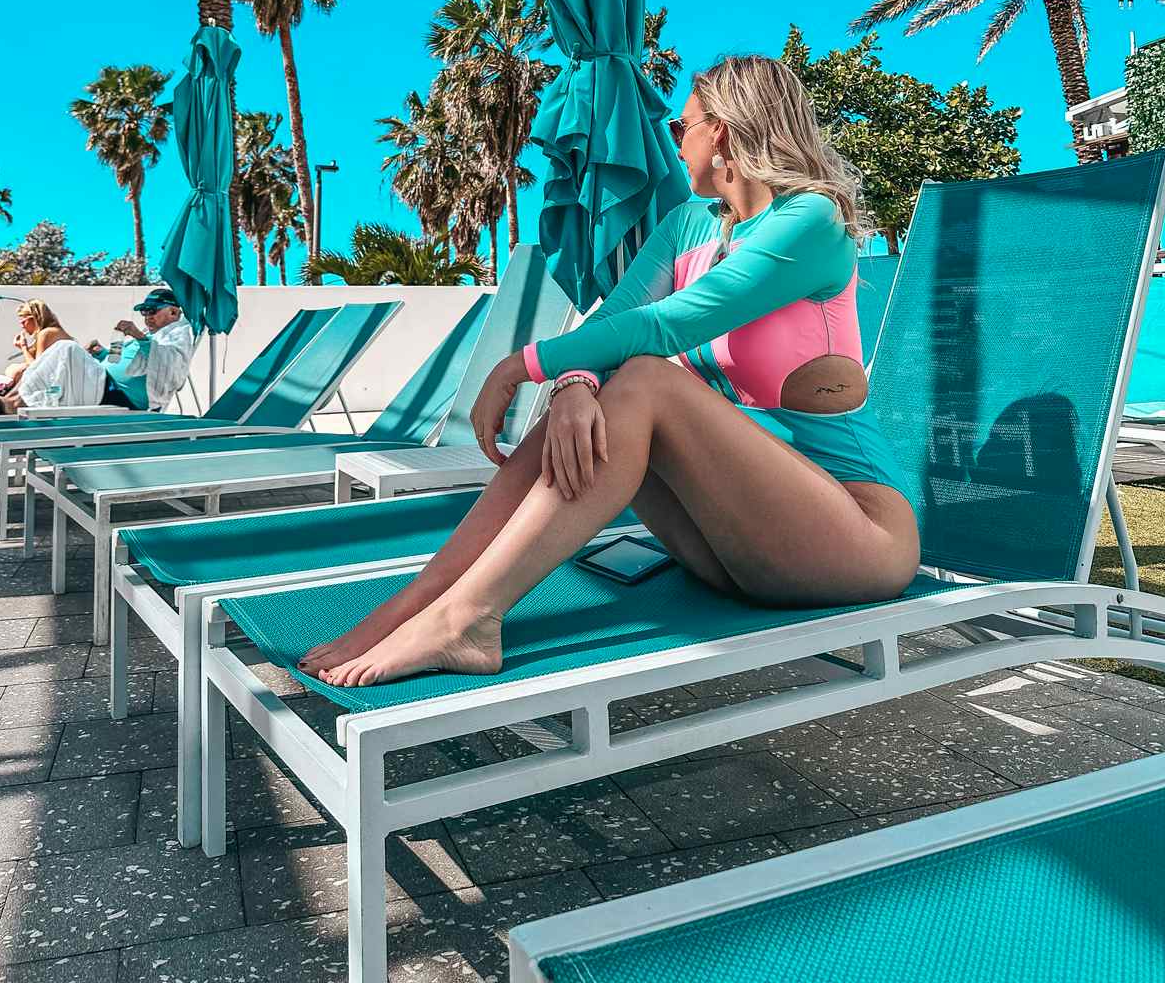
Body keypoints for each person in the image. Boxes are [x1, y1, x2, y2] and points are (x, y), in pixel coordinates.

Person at [301, 53, 922, 690]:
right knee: (608, 394)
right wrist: (573, 385)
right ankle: (420, 605)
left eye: (683, 128)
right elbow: (617, 316)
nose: (674, 143)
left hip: (853, 533)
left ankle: (468, 616)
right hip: (736, 548)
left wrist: (528, 365)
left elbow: (669, 324)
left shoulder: (810, 221)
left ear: (725, 133)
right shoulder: (688, 224)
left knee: (649, 378)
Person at [88, 288, 195, 412]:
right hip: (104, 386)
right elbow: (127, 362)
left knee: (68, 348)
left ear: (173, 312)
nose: (147, 317)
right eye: (144, 312)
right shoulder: (149, 335)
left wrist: (140, 337)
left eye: (152, 311)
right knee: (70, 354)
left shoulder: (178, 336)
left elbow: (168, 365)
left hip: (122, 397)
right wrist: (102, 354)